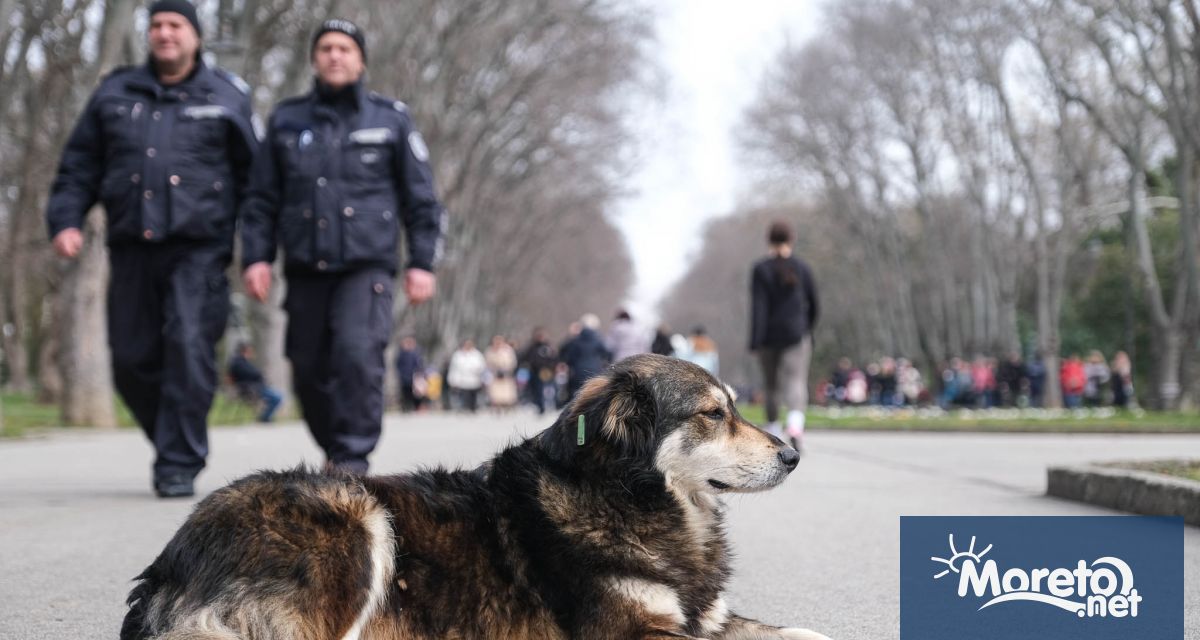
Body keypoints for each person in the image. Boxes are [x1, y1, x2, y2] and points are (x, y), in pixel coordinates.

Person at [45, 1, 257, 498]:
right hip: (131, 246)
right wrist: (66, 220)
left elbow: (258, 181)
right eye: (156, 25)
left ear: (196, 36)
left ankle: (178, 463)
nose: (165, 33)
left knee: (188, 347)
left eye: (176, 25)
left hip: (198, 249)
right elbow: (79, 164)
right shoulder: (114, 93)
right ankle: (171, 436)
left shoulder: (227, 96)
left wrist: (260, 251)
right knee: (132, 360)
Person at [239, 19, 444, 474]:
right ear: (314, 59)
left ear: (361, 60)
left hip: (365, 267)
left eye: (345, 49)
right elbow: (260, 199)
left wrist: (421, 263)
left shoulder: (390, 119)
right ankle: (334, 446)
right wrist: (255, 256)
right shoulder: (287, 119)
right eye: (326, 48)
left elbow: (422, 199)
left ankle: (352, 458)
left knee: (357, 354)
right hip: (306, 266)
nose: (335, 55)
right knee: (307, 366)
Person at [749, 220, 819, 451]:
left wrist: (755, 340)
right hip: (796, 335)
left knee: (771, 386)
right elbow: (815, 304)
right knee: (796, 381)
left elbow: (758, 307)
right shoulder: (802, 268)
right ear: (791, 240)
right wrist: (807, 328)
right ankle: (795, 426)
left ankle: (773, 432)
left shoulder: (761, 269)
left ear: (769, 240)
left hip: (768, 336)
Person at [560, 313, 612, 401]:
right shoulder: (598, 341)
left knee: (576, 398)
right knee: (593, 397)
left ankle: (578, 414)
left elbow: (569, 357)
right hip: (595, 372)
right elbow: (608, 354)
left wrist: (571, 366)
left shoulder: (575, 341)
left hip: (578, 373)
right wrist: (603, 365)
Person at [228, 343, 284, 423]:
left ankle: (265, 417)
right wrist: (260, 375)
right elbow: (253, 374)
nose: (251, 353)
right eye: (250, 351)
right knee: (278, 397)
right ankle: (264, 418)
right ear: (245, 351)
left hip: (254, 387)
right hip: (251, 389)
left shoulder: (241, 362)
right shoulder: (239, 363)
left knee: (277, 396)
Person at [519, 327, 558, 415]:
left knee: (547, 389)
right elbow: (524, 358)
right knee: (536, 390)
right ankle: (539, 405)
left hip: (547, 372)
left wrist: (552, 367)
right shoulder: (531, 347)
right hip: (535, 372)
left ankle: (546, 405)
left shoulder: (549, 347)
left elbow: (554, 358)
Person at [446, 339, 487, 412]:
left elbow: (482, 366)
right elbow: (454, 368)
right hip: (462, 380)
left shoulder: (477, 355)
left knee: (473, 395)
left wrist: (476, 371)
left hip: (474, 379)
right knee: (464, 395)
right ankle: (464, 408)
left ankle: (473, 408)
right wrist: (453, 380)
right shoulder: (457, 355)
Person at [484, 335, 518, 412]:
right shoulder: (490, 351)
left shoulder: (508, 350)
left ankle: (507, 407)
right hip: (495, 375)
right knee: (495, 394)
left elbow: (512, 362)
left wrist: (506, 369)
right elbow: (487, 363)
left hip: (506, 375)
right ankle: (496, 408)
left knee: (507, 393)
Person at [394, 336, 426, 413]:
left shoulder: (415, 353)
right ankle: (406, 407)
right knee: (405, 392)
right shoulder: (401, 354)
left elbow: (419, 364)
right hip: (404, 377)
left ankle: (416, 407)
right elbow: (398, 365)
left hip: (414, 376)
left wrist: (419, 373)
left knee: (416, 393)